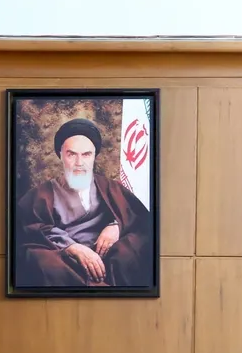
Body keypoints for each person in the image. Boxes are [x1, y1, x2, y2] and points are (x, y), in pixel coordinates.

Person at [14, 117, 153, 288]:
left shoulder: (110, 187)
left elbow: (137, 218)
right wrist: (73, 247)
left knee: (133, 247)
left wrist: (116, 226)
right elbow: (30, 229)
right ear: (60, 155)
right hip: (66, 258)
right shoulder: (41, 194)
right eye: (71, 154)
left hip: (106, 255)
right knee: (41, 262)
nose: (79, 163)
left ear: (94, 156)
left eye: (86, 154)